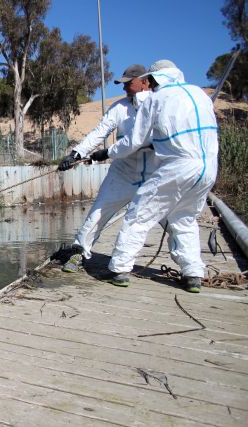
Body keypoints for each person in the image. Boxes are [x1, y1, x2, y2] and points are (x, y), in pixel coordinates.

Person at [95, 59, 218, 293]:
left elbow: (134, 141)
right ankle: (193, 273)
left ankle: (119, 268)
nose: (149, 85)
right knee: (184, 218)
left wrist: (107, 152)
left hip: (177, 165)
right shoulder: (199, 94)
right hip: (209, 167)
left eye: (150, 81)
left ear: (154, 80)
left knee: (138, 213)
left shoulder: (155, 99)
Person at [58, 64, 154, 274]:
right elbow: (99, 132)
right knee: (97, 213)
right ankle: (79, 252)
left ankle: (191, 271)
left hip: (155, 175)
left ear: (145, 81)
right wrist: (77, 154)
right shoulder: (119, 108)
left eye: (129, 83)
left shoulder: (158, 105)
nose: (125, 88)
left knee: (172, 220)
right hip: (123, 173)